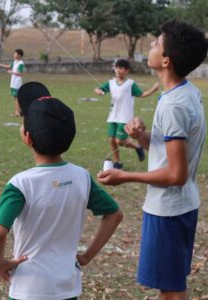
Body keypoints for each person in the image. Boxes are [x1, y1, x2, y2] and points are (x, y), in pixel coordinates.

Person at [98, 20, 208, 300]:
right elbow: (167, 151)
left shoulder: (173, 105)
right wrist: (142, 135)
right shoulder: (183, 93)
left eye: (156, 43)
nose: (151, 45)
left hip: (169, 211)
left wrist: (125, 177)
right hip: (181, 205)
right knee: (171, 286)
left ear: (167, 60)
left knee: (171, 292)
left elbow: (175, 174)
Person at [0, 82, 123, 300]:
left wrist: (0, 264)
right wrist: (87, 256)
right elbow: (114, 214)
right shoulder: (81, 177)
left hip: (28, 289)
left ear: (28, 138)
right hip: (67, 287)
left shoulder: (20, 184)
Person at [94, 59, 159, 169]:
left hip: (125, 116)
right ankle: (118, 162)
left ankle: (138, 147)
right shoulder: (110, 83)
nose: (118, 70)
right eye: (117, 68)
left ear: (127, 70)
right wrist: (99, 91)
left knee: (119, 140)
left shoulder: (130, 84)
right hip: (113, 116)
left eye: (121, 68)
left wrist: (153, 89)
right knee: (112, 140)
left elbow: (141, 94)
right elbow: (98, 89)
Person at [0, 49, 25, 117]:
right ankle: (17, 111)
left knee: (17, 97)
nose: (14, 55)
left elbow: (21, 73)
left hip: (17, 83)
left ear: (19, 55)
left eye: (15, 54)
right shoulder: (15, 61)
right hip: (13, 82)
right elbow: (9, 66)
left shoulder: (21, 63)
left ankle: (17, 112)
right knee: (15, 97)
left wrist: (12, 72)